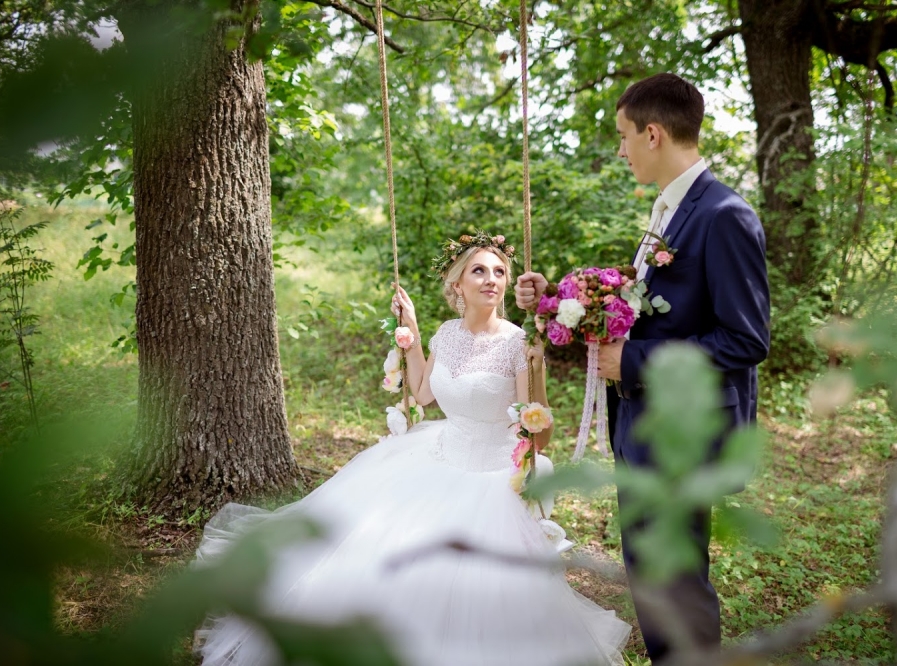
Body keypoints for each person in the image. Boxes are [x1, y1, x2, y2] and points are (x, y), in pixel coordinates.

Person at [193, 232, 630, 666]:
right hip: (439, 456)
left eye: (499, 272)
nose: (491, 280)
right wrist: (413, 332)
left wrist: (537, 370)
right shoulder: (446, 334)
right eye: (479, 271)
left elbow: (539, 436)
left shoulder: (519, 344)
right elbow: (422, 393)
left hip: (492, 474)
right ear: (458, 284)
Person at [516, 73, 770, 662]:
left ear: (652, 134)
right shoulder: (671, 209)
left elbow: (745, 339)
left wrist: (634, 360)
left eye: (623, 136)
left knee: (675, 586)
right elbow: (648, 311)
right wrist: (554, 300)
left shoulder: (723, 215)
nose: (621, 150)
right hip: (644, 428)